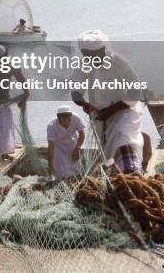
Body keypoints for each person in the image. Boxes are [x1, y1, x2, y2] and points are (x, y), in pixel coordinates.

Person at [71, 29, 145, 174]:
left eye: (96, 55)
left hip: (124, 111)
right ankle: (118, 176)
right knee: (108, 151)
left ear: (103, 49)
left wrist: (111, 110)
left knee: (122, 137)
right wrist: (85, 104)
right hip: (99, 116)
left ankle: (133, 172)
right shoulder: (83, 64)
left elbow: (136, 93)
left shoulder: (119, 63)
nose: (92, 59)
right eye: (88, 56)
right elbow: (75, 92)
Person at [46, 105, 85, 180]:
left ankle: (74, 179)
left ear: (71, 116)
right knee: (60, 172)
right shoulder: (51, 126)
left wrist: (77, 149)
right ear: (58, 118)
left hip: (72, 142)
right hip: (59, 146)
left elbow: (82, 133)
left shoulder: (76, 118)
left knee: (76, 168)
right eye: (64, 122)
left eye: (69, 119)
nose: (67, 123)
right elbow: (51, 147)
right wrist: (50, 165)